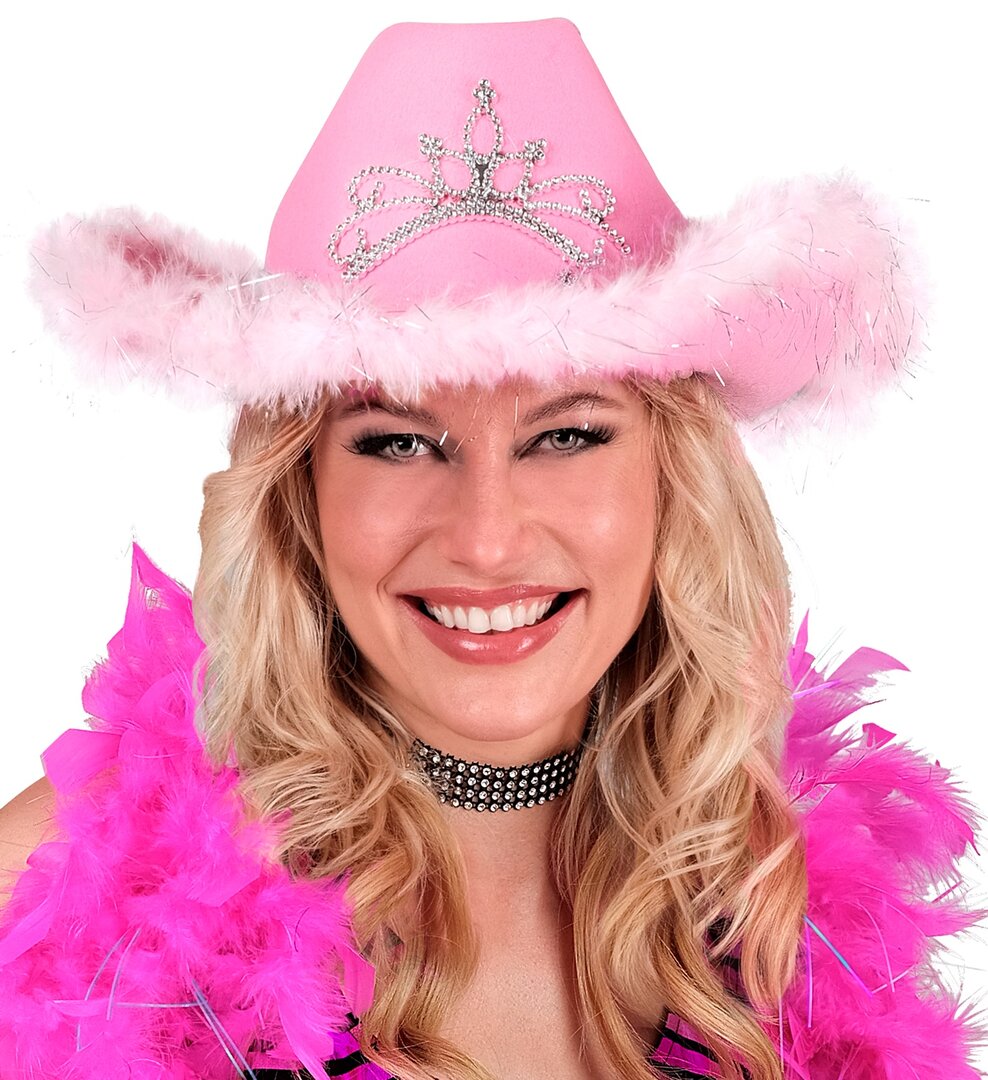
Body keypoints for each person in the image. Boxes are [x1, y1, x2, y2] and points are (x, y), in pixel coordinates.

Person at [0, 17, 982, 1080]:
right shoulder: (70, 882)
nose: (485, 537)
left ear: (672, 474)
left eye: (566, 435)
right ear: (301, 493)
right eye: (397, 441)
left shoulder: (802, 913)